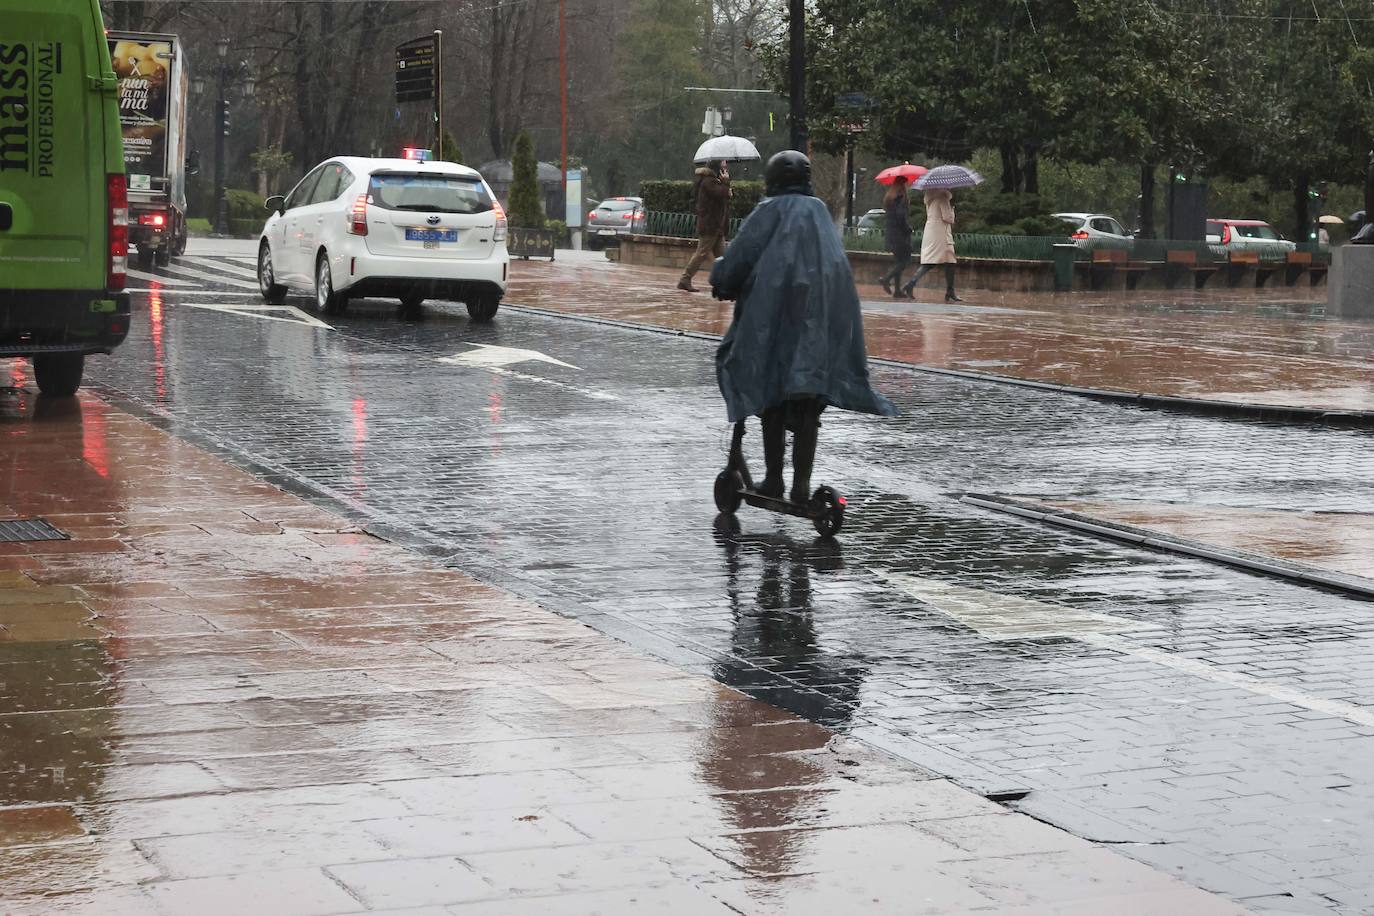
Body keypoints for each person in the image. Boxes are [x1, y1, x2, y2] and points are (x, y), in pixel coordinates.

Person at [710, 150, 897, 503]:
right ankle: (801, 486)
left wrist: (721, 278)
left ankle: (774, 480)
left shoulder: (770, 211)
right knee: (809, 402)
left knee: (772, 397)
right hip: (823, 320)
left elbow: (741, 255)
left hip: (776, 320)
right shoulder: (820, 212)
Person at [678, 159, 732, 292]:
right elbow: (720, 194)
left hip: (716, 225)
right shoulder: (708, 182)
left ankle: (724, 282)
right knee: (701, 253)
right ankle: (685, 279)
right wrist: (726, 183)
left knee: (722, 257)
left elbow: (722, 196)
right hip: (710, 225)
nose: (725, 166)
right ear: (717, 166)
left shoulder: (714, 181)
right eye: (723, 163)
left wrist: (725, 186)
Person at [900, 187, 961, 302]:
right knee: (950, 262)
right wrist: (952, 209)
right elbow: (948, 218)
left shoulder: (930, 198)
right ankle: (950, 291)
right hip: (941, 234)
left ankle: (910, 284)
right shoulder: (943, 198)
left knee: (931, 262)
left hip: (932, 232)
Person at [878, 177, 913, 298]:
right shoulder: (900, 198)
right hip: (900, 235)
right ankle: (886, 279)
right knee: (905, 261)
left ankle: (897, 290)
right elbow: (900, 216)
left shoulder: (889, 197)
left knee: (898, 261)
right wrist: (908, 229)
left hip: (891, 234)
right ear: (903, 185)